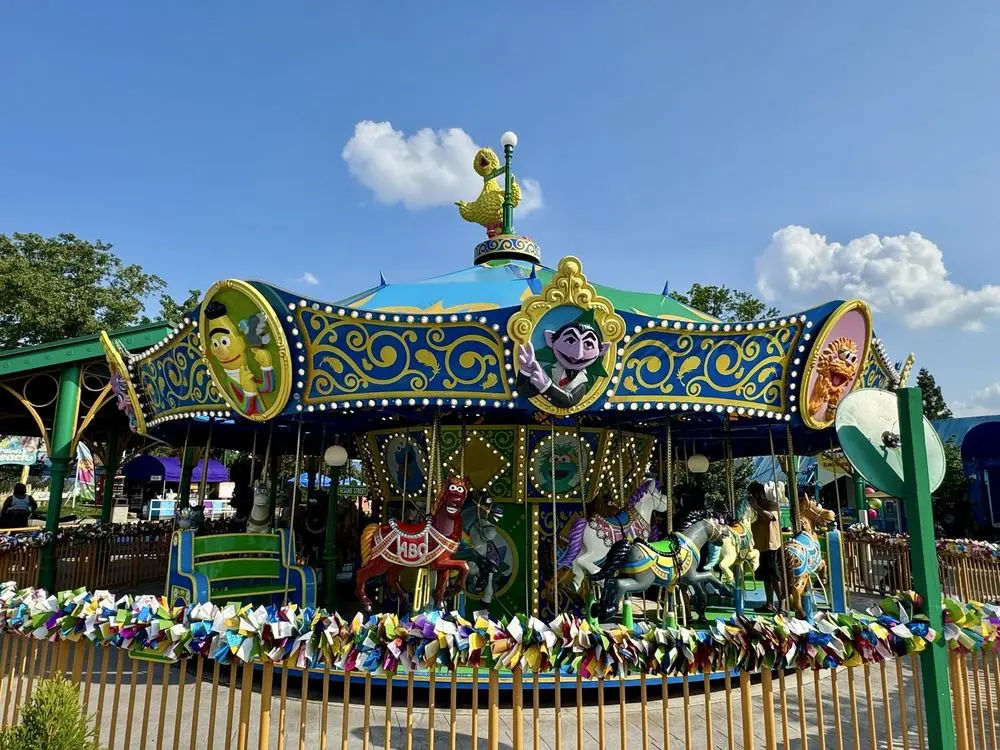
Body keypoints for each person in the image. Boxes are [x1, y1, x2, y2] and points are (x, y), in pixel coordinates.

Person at [748, 481, 782, 613]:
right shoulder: (755, 507)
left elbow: (771, 517)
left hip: (771, 545)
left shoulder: (771, 505)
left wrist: (756, 507)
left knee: (775, 577)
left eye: (754, 494)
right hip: (759, 546)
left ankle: (782, 604)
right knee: (766, 578)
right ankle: (769, 603)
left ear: (760, 493)